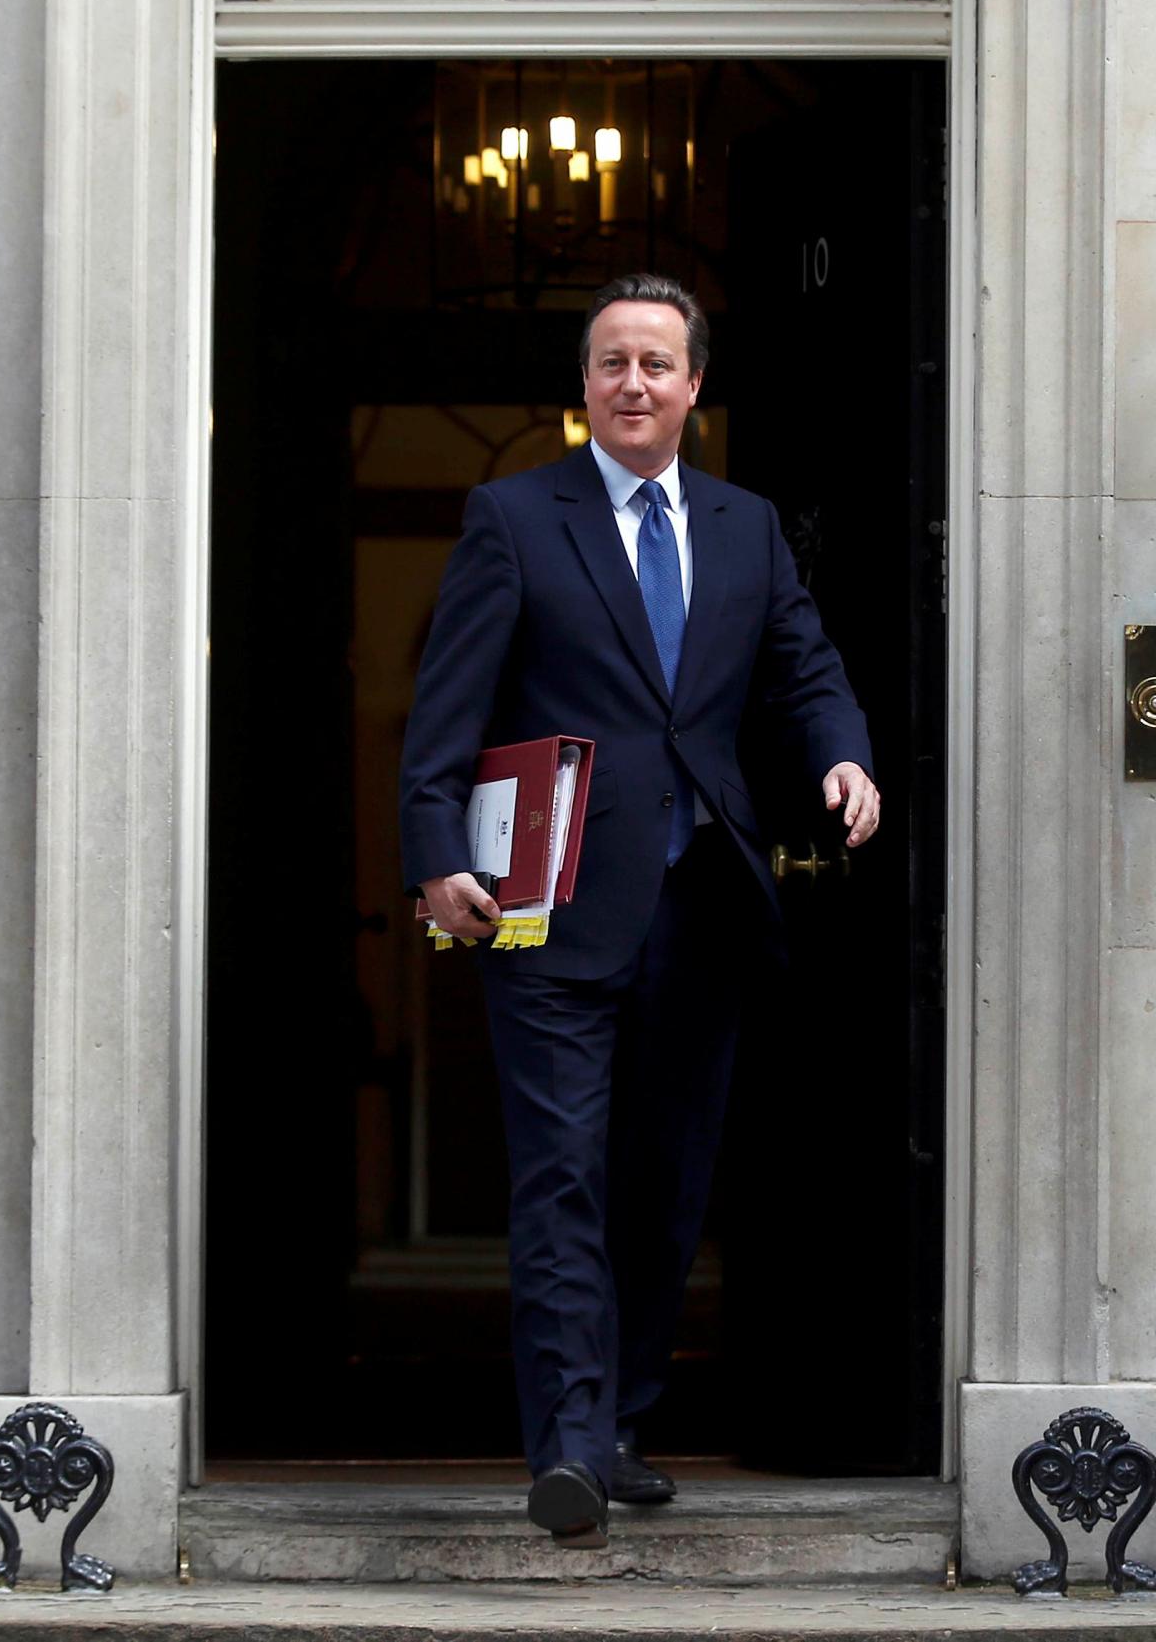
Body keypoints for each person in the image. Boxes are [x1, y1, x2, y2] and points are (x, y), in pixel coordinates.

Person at [398, 272, 880, 1546]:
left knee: (664, 1184)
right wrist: (436, 853)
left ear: (693, 385)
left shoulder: (746, 527)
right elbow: (447, 704)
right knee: (561, 1175)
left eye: (656, 365)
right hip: (547, 909)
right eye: (611, 362)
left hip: (702, 903)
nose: (633, 384)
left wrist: (844, 751)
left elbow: (801, 666)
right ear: (584, 385)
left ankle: (620, 1418)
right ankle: (565, 1446)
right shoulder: (512, 517)